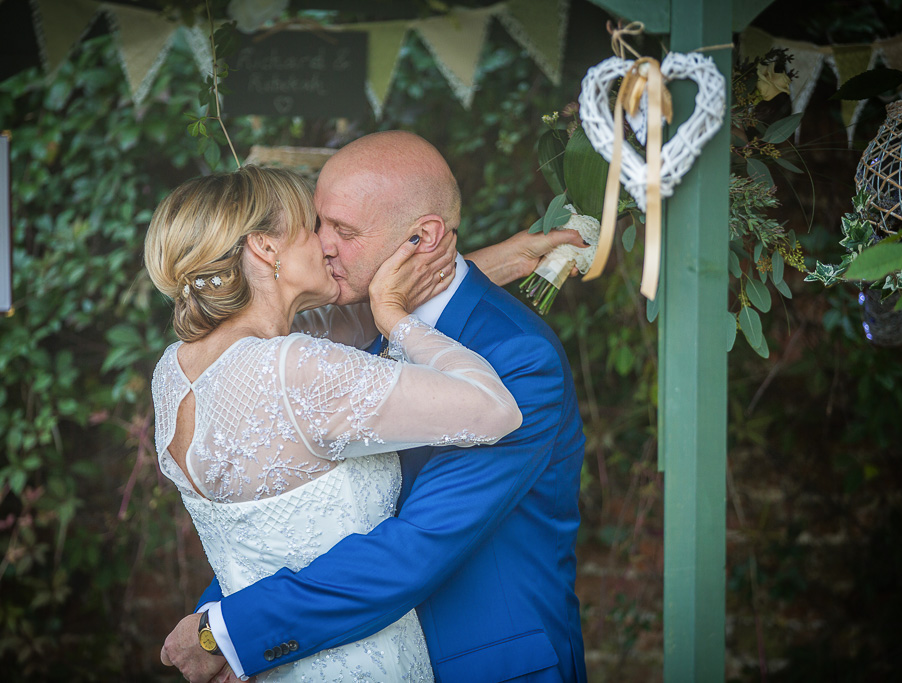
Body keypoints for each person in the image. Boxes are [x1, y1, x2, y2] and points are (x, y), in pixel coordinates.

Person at [161, 131, 588, 683]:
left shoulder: (516, 357)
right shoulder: (335, 343)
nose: (323, 245)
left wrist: (229, 632)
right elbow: (281, 510)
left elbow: (415, 546)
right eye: (317, 224)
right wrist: (224, 624)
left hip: (484, 663)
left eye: (343, 231)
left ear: (422, 238)